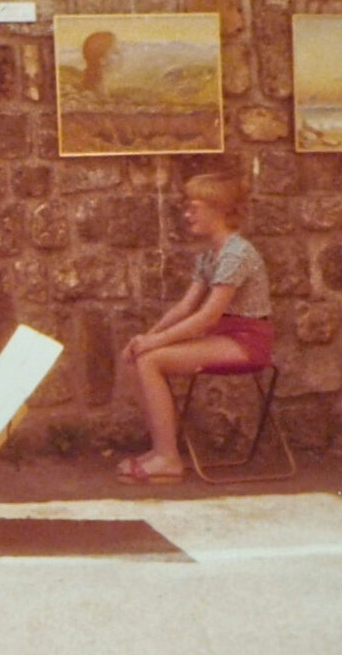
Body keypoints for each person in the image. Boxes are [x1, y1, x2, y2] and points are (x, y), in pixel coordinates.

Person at [117, 172, 273, 484]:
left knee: (151, 359)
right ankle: (162, 448)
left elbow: (206, 317)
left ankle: (168, 459)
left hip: (247, 341)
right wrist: (148, 336)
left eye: (194, 208)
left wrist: (155, 344)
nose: (187, 215)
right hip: (223, 337)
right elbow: (186, 307)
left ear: (218, 209)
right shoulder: (209, 256)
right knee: (136, 357)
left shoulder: (237, 253)